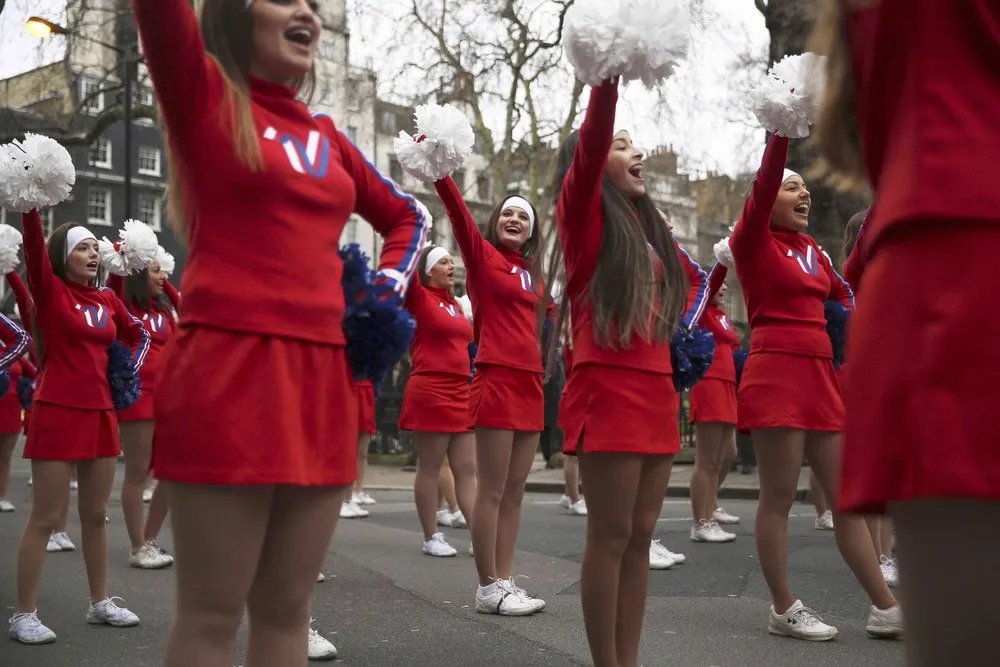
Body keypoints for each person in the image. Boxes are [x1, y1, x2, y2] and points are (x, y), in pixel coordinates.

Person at [132, 1, 428, 665]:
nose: (306, 11)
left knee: (288, 610)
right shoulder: (202, 94)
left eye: (315, 3)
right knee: (211, 614)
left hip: (321, 378)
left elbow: (409, 216)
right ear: (237, 14)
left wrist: (382, 291)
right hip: (224, 369)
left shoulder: (330, 136)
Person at [730, 132, 900, 641]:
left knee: (849, 498)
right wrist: (781, 129)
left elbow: (848, 286)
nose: (805, 195)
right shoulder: (751, 240)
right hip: (776, 371)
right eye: (793, 188)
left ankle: (886, 607)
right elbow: (764, 185)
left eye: (807, 189)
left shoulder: (813, 251)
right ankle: (783, 607)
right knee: (778, 497)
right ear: (765, 199)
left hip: (821, 375)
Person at [553, 77, 692, 667]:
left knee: (640, 538)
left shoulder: (646, 229)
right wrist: (607, 72)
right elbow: (590, 141)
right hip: (608, 391)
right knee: (609, 538)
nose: (636, 154)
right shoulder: (583, 217)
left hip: (656, 393)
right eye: (621, 144)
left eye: (636, 145)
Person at [10, 218, 150, 644]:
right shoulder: (51, 293)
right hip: (56, 410)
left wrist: (126, 377)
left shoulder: (108, 298)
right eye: (82, 248)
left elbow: (137, 334)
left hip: (101, 413)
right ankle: (23, 615)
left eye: (95, 248)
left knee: (95, 514)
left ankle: (100, 602)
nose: (93, 254)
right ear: (63, 257)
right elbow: (34, 251)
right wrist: (30, 203)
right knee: (46, 517)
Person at [426, 167, 546, 616]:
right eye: (508, 213)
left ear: (532, 230)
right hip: (496, 376)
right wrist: (441, 174)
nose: (514, 219)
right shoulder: (482, 257)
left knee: (515, 490)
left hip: (531, 382)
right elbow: (458, 215)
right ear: (497, 220)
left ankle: (505, 580)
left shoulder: (534, 274)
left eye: (524, 216)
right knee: (492, 490)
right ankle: (486, 585)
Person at [400, 244, 477, 557]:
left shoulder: (457, 304)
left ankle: (479, 534)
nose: (451, 266)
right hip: (431, 389)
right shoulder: (419, 297)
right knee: (430, 467)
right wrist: (416, 231)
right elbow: (405, 266)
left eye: (451, 261)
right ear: (428, 270)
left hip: (462, 390)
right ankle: (431, 536)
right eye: (443, 262)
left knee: (468, 469)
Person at [106, 259, 176, 570]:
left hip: (168, 396)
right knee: (136, 472)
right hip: (138, 395)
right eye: (155, 270)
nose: (163, 276)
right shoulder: (124, 307)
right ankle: (137, 547)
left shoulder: (163, 311)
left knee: (172, 473)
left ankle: (148, 540)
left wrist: (166, 287)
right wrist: (125, 258)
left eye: (164, 270)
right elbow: (114, 286)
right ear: (137, 273)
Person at [687, 264, 739, 543]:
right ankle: (700, 522)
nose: (726, 288)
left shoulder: (721, 316)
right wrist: (722, 262)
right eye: (722, 284)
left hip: (727, 386)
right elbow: (708, 285)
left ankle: (711, 512)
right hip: (709, 385)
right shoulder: (703, 309)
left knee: (721, 456)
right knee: (706, 460)